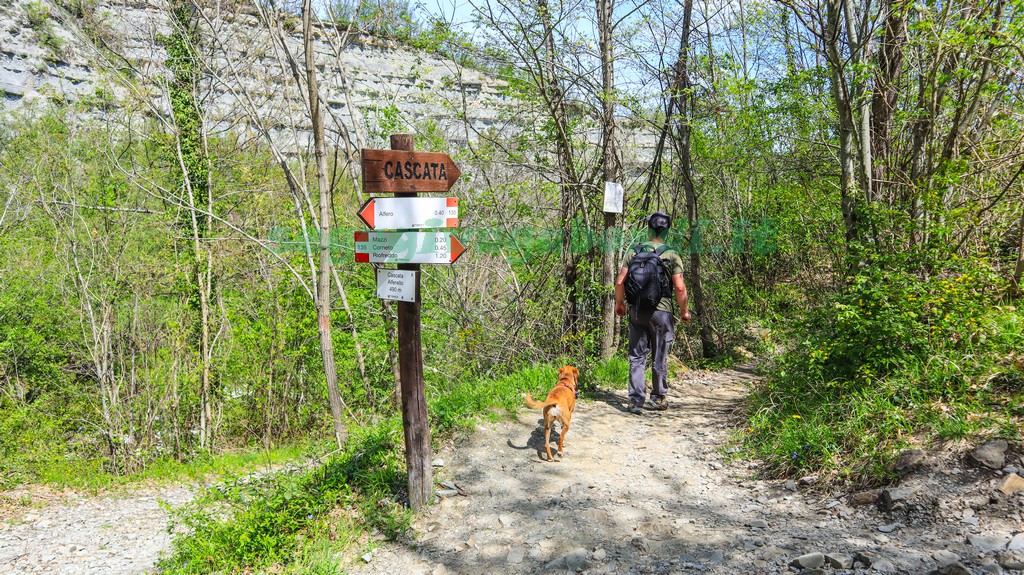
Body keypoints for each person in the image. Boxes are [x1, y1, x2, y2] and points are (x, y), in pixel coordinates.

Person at [614, 211, 690, 414]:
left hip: (637, 310)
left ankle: (635, 400)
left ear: (649, 228)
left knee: (637, 356)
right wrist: (684, 310)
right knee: (660, 354)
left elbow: (621, 280)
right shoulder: (672, 254)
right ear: (667, 230)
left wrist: (620, 304)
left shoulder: (634, 251)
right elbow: (680, 287)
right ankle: (657, 398)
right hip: (662, 312)